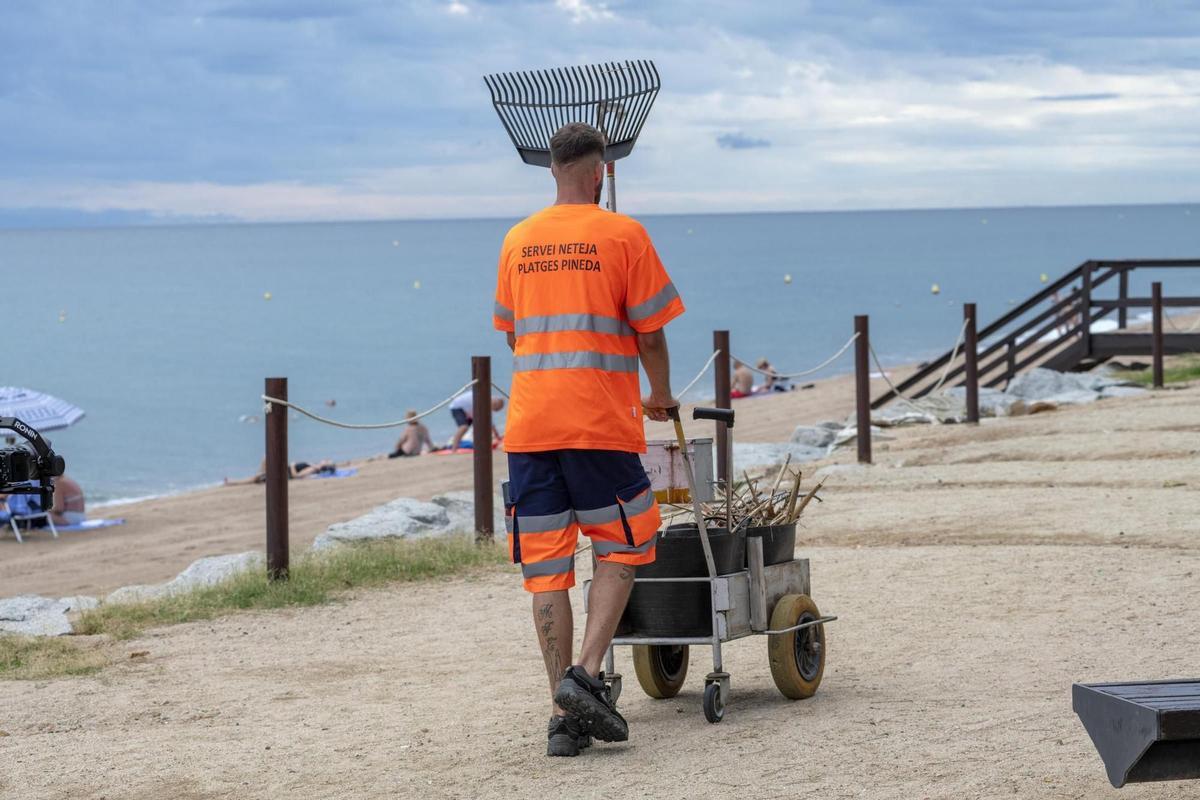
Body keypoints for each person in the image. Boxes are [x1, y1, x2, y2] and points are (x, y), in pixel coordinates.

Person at [493, 122, 684, 757]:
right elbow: (650, 331)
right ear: (600, 172)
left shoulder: (518, 239)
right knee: (626, 543)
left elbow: (513, 333)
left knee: (547, 568)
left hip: (529, 428)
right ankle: (587, 674)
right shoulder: (624, 234)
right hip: (599, 424)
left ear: (551, 169)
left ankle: (562, 715)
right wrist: (658, 392)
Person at [223, 458, 334, 486]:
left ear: (324, 466)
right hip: (283, 470)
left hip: (284, 473)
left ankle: (231, 482)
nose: (325, 460)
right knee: (265, 460)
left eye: (327, 461)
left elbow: (297, 476)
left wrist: (293, 465)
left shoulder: (313, 468)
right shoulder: (313, 465)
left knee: (254, 479)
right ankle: (231, 482)